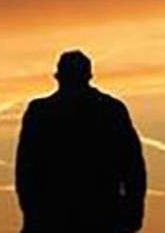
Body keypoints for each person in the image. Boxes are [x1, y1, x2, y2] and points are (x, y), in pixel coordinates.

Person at [16, 50, 147, 233]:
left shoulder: (40, 112)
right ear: (88, 76)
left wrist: (31, 213)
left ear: (58, 77)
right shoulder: (110, 109)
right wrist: (134, 210)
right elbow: (133, 165)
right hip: (97, 213)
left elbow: (25, 169)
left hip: (56, 214)